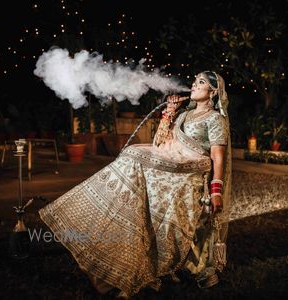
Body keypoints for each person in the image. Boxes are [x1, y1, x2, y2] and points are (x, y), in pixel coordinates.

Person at [38, 71, 232, 297]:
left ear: (213, 92)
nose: (193, 85)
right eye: (194, 80)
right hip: (170, 166)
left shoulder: (215, 119)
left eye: (200, 82)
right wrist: (169, 112)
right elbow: (161, 143)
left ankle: (162, 266)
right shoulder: (183, 116)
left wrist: (215, 189)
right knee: (132, 154)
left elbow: (218, 155)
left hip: (189, 173)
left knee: (135, 156)